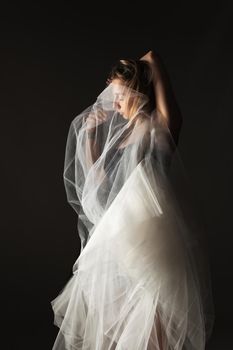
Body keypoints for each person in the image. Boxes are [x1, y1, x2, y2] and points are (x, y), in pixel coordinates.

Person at [50, 50, 215, 350]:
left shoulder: (159, 126)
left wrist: (141, 65)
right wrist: (89, 138)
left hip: (154, 242)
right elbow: (97, 185)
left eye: (119, 94)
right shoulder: (122, 137)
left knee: (156, 318)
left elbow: (153, 59)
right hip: (121, 239)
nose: (114, 103)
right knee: (128, 326)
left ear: (138, 91)